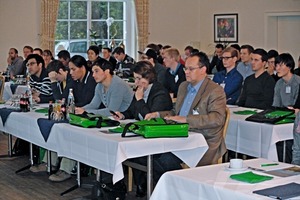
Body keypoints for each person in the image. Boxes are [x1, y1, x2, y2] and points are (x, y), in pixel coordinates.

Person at [145, 52, 227, 177]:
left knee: (162, 161)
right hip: (179, 136)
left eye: (191, 69)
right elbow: (175, 112)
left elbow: (217, 119)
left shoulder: (215, 90)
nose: (186, 72)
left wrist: (186, 119)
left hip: (203, 141)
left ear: (203, 70)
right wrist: (158, 114)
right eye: (185, 68)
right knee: (149, 154)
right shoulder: (183, 86)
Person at [113, 60, 173, 197]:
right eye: (135, 78)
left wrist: (140, 100)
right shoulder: (141, 90)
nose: (136, 82)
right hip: (141, 135)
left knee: (133, 150)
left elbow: (149, 119)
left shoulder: (160, 93)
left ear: (149, 77)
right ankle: (139, 185)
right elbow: (132, 111)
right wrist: (122, 115)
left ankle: (144, 185)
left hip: (157, 137)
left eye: (139, 79)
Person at [273, 53, 300, 163]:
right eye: (276, 65)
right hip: (283, 115)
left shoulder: (298, 81)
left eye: (280, 65)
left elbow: (296, 107)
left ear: (289, 66)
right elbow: (276, 104)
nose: (277, 68)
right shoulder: (279, 83)